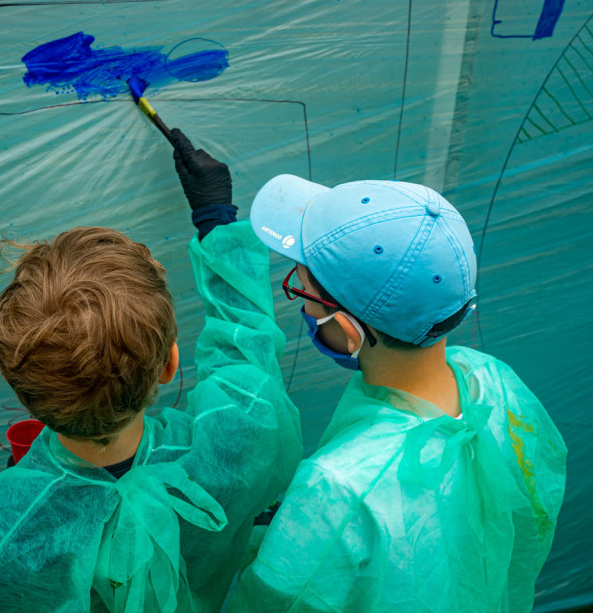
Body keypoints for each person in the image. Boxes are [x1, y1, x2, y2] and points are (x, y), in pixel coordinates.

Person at [0, 130, 302, 612]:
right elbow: (247, 356)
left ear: (24, 392)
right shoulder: (237, 442)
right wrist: (216, 220)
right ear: (170, 365)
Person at [229, 174, 567, 611]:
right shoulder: (496, 383)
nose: (302, 302)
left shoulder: (334, 490)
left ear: (348, 330)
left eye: (302, 288)